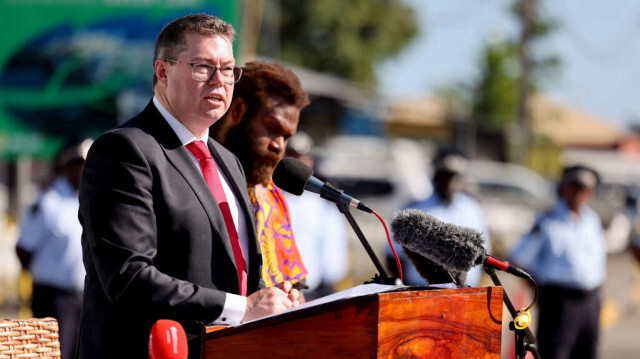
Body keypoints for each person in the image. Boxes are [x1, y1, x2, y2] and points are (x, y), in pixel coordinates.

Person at [76, 14, 299, 359]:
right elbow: (129, 278)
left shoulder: (229, 162)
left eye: (227, 70)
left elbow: (233, 277)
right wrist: (242, 307)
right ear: (162, 72)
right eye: (202, 67)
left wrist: (269, 297)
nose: (219, 81)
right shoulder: (125, 150)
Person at [210, 60, 311, 294]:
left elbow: (295, 288)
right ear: (237, 111)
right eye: (272, 128)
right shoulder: (192, 174)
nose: (279, 147)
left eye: (287, 137)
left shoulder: (271, 196)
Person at [509, 164, 606, 359]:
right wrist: (539, 289)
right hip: (559, 301)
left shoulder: (591, 219)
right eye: (575, 187)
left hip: (590, 301)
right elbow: (518, 258)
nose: (579, 193)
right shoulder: (547, 220)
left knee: (588, 353)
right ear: (564, 188)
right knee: (555, 353)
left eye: (585, 189)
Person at [16, 138, 91, 359]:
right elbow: (23, 249)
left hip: (85, 298)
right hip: (54, 298)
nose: (82, 169)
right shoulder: (48, 202)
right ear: (65, 165)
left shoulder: (88, 200)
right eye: (78, 163)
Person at [386, 148, 491, 286]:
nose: (450, 182)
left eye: (455, 176)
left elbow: (484, 256)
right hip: (422, 292)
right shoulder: (415, 209)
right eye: (445, 175)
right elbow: (392, 256)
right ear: (435, 175)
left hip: (465, 295)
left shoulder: (473, 209)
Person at [282, 132, 349, 300]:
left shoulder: (321, 203)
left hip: (314, 291)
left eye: (302, 158)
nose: (298, 163)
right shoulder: (266, 197)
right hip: (277, 290)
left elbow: (334, 259)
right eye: (292, 157)